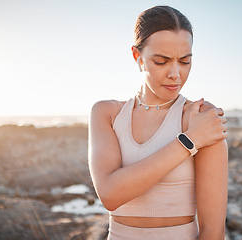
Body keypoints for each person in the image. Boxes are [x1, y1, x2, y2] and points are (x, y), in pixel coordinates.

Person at [88, 5, 228, 240]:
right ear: (137, 57)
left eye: (184, 61)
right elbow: (110, 195)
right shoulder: (107, 113)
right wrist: (189, 141)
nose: (175, 73)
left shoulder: (200, 116)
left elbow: (213, 231)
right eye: (162, 61)